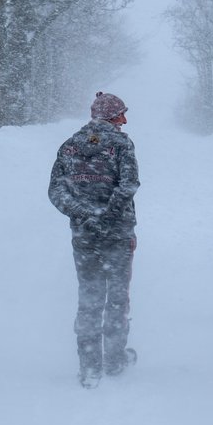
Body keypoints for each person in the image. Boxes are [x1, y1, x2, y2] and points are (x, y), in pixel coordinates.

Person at [48, 92, 140, 389]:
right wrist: (108, 215)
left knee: (89, 299)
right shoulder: (121, 144)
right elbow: (128, 185)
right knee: (116, 297)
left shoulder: (70, 145)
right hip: (118, 233)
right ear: (112, 116)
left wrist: (83, 215)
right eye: (122, 114)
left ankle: (89, 366)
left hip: (84, 236)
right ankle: (114, 360)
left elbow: (56, 192)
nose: (125, 120)